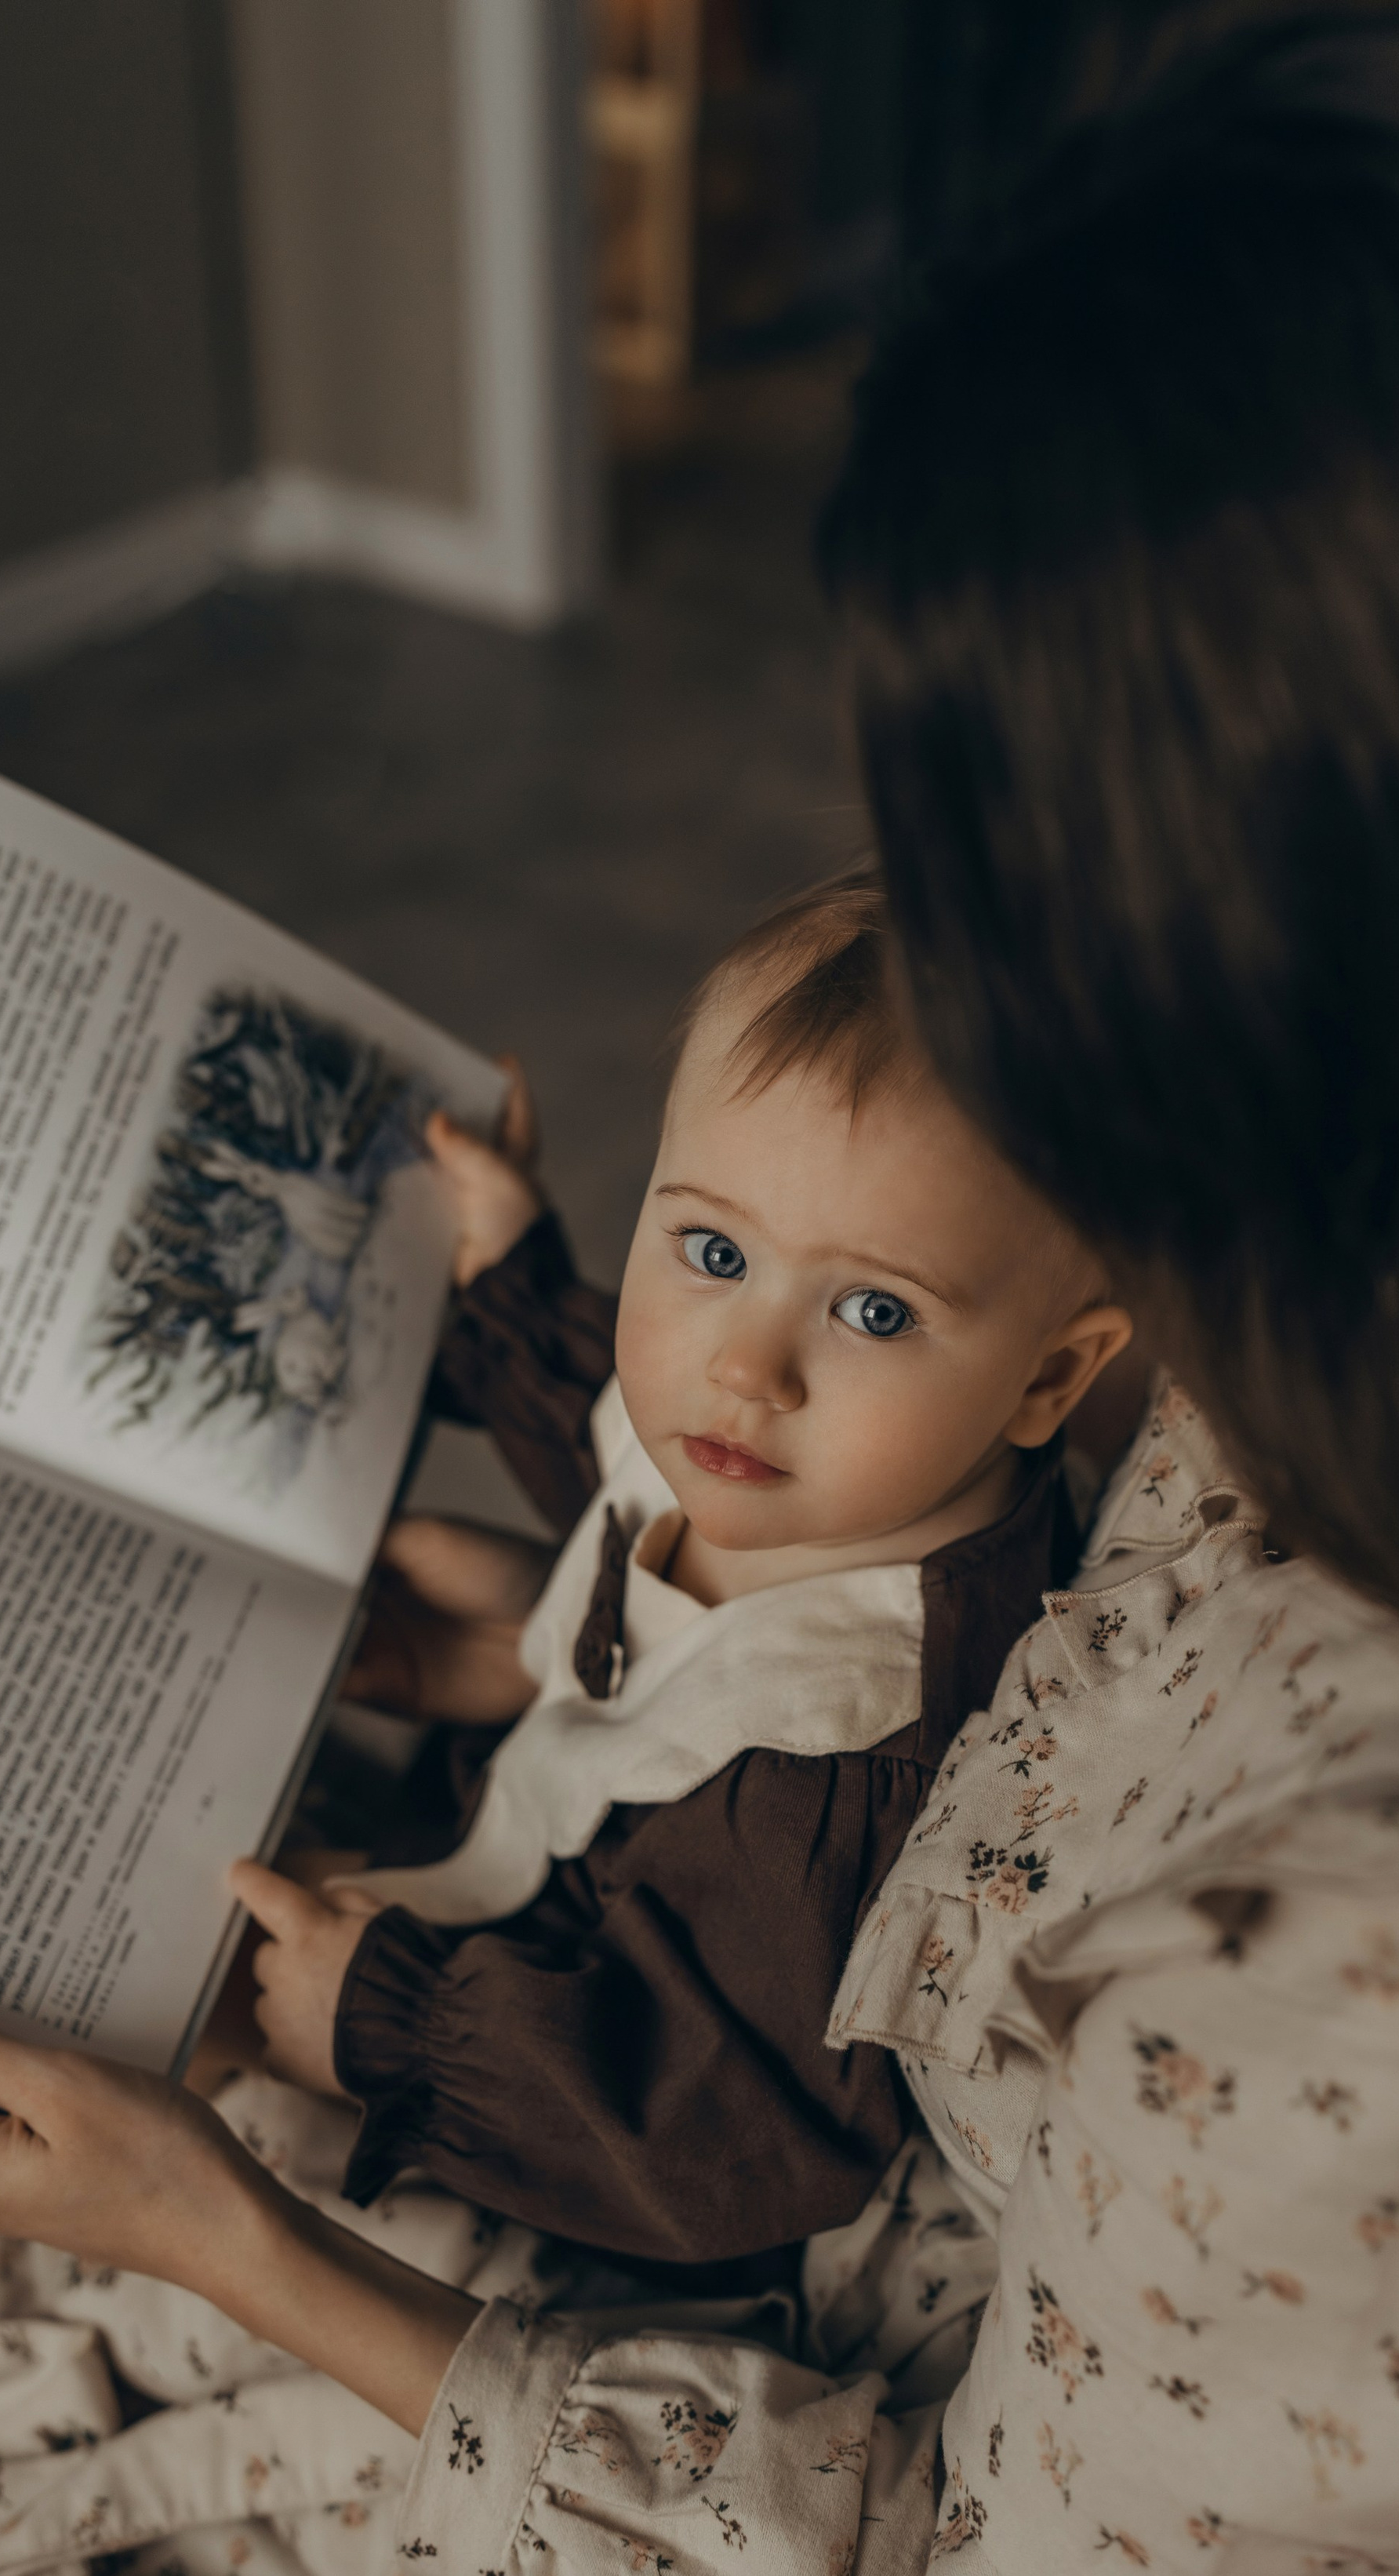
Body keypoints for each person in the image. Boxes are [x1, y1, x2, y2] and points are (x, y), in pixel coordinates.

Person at [0, 13, 1399, 2576]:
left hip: (796, 2448)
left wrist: (225, 2240)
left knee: (33, 2096)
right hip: (705, 2049)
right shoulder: (1266, 1365)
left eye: (1004, 866)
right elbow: (694, 1458)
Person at [231, 871, 1128, 2266]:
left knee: (141, 2038)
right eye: (712, 1248)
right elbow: (610, 1420)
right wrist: (505, 1270)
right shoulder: (807, 1455)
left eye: (874, 1310)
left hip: (554, 2129)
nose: (743, 1366)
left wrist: (390, 2025)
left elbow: (713, 2140)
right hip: (489, 1864)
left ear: (1050, 1379)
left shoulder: (849, 1755)